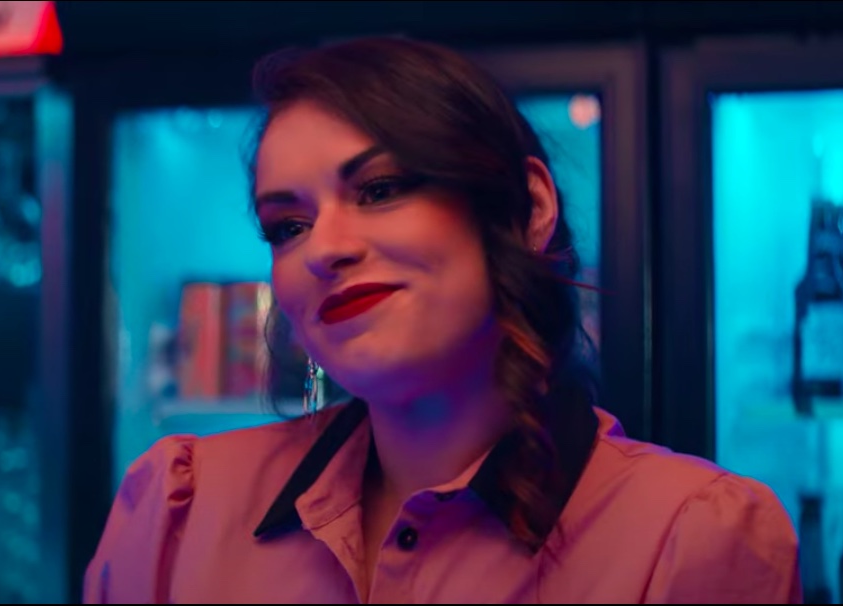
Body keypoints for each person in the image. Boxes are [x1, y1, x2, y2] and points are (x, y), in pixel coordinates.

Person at [85, 37, 800, 604]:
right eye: (288, 226)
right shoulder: (180, 512)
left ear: (527, 209)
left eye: (379, 189)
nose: (324, 249)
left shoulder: (687, 537)